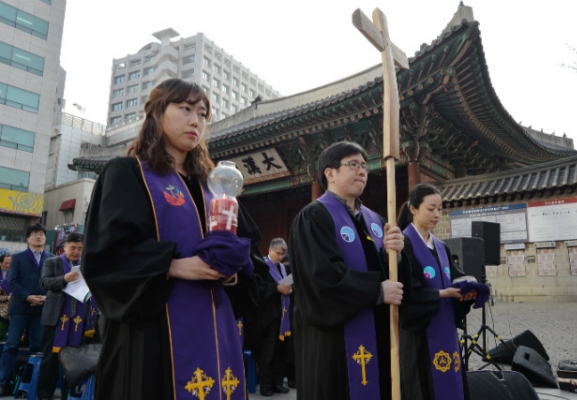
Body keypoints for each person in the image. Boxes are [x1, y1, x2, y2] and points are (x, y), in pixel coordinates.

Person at [82, 78, 266, 400]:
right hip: (153, 333)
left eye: (203, 113)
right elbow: (104, 255)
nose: (196, 120)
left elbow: (252, 254)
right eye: (185, 108)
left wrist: (233, 271)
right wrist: (174, 266)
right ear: (157, 112)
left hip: (216, 327)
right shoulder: (127, 173)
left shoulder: (215, 187)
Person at [288, 141, 405, 400]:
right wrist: (375, 291)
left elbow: (392, 279)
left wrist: (392, 255)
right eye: (353, 164)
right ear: (330, 173)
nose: (362, 171)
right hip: (335, 341)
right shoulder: (313, 217)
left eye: (364, 165)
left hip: (378, 332)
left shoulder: (376, 221)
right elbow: (321, 279)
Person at [398, 183, 481, 400]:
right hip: (420, 334)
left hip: (446, 329)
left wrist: (466, 291)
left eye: (440, 209)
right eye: (431, 208)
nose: (437, 214)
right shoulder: (402, 244)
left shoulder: (441, 246)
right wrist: (442, 294)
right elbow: (407, 291)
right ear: (413, 209)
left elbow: (455, 277)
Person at [37, 232, 99, 400]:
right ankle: (44, 394)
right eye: (72, 248)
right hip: (56, 318)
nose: (76, 252)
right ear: (64, 247)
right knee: (50, 359)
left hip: (78, 321)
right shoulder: (52, 262)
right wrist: (64, 279)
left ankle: (68, 393)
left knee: (74, 359)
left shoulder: (85, 266)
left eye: (80, 248)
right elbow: (44, 282)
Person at [0, 224, 51, 396]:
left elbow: (54, 282)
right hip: (20, 307)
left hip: (42, 307)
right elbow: (12, 281)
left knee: (37, 347)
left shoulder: (52, 258)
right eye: (35, 234)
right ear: (27, 238)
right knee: (11, 345)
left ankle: (31, 385)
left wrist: (46, 297)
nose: (39, 237)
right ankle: (2, 383)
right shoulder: (18, 257)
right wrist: (28, 297)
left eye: (42, 234)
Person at [254, 238, 292, 396]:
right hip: (267, 317)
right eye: (278, 253)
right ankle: (265, 385)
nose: (280, 257)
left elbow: (285, 285)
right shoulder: (261, 266)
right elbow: (258, 288)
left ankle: (277, 382)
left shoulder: (283, 268)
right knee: (267, 352)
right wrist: (277, 288)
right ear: (269, 250)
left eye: (283, 254)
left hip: (282, 316)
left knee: (280, 351)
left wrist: (288, 290)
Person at [0, 253, 11, 340]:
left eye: (10, 263)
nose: (8, 265)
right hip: (2, 312)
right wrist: (7, 298)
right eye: (6, 263)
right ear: (0, 263)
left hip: (12, 311)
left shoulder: (15, 274)